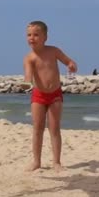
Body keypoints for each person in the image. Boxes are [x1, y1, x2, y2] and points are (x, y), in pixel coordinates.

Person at [22, 20, 78, 172]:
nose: (31, 38)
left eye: (36, 35)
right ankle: (36, 161)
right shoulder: (29, 58)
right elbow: (28, 76)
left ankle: (56, 162)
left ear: (45, 37)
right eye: (29, 35)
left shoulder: (53, 51)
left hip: (55, 95)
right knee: (38, 128)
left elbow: (69, 61)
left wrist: (72, 65)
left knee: (54, 128)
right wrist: (26, 84)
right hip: (38, 96)